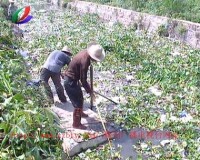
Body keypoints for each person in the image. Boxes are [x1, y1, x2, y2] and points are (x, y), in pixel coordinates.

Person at [64, 42, 105, 129]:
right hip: (70, 81)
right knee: (77, 104)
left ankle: (81, 113)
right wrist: (90, 91)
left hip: (73, 79)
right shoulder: (85, 61)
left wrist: (89, 90)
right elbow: (83, 80)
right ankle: (76, 124)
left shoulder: (85, 53)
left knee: (80, 98)